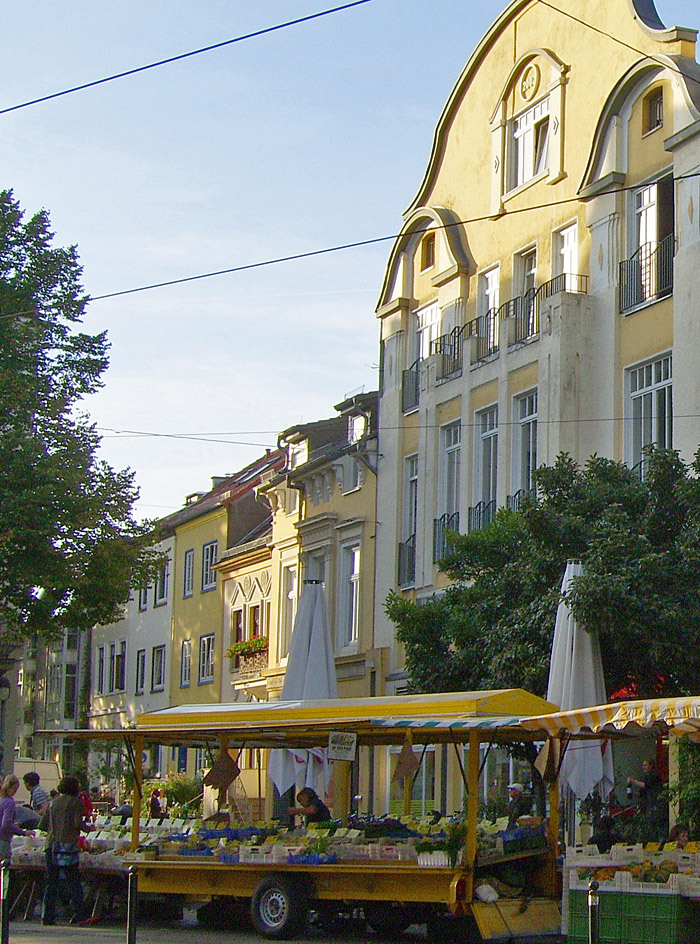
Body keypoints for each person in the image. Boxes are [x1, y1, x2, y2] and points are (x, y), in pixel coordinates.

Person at [39, 775, 91, 926]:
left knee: (51, 882)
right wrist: (87, 827)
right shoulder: (75, 803)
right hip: (67, 846)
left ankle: (47, 917)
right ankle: (80, 915)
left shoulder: (53, 803)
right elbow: (76, 823)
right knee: (74, 881)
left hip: (51, 845)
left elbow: (42, 825)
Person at [0, 775, 34, 861]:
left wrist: (13, 825)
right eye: (15, 789)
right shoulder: (9, 802)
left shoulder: (2, 800)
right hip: (3, 840)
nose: (15, 792)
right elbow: (6, 824)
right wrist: (23, 832)